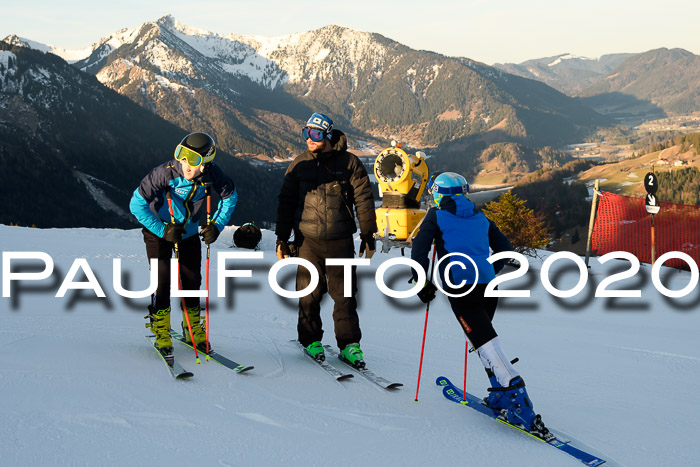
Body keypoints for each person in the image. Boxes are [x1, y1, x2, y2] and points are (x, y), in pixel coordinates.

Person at [410, 172, 551, 439]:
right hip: (488, 287)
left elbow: (419, 249)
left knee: (486, 343)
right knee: (482, 339)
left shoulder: (436, 215)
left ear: (439, 194)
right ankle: (499, 395)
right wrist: (487, 269)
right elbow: (504, 247)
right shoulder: (480, 215)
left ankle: (520, 403)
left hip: (460, 289)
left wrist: (421, 282)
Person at [275, 112, 377, 368]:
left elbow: (364, 200)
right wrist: (281, 238)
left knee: (344, 296)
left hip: (340, 240)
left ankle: (350, 344)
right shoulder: (299, 164)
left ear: (328, 135)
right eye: (306, 133)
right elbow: (285, 204)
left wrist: (368, 234)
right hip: (307, 241)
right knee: (309, 293)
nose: (310, 139)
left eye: (316, 134)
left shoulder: (350, 163)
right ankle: (311, 340)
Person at [129, 132, 237, 356]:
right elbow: (136, 204)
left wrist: (217, 225)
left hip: (187, 232)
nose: (186, 165)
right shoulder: (164, 174)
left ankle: (192, 326)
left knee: (192, 279)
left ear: (206, 162)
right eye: (182, 156)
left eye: (194, 160)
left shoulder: (214, 175)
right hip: (158, 229)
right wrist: (162, 230)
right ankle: (161, 327)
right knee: (162, 279)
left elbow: (230, 197)